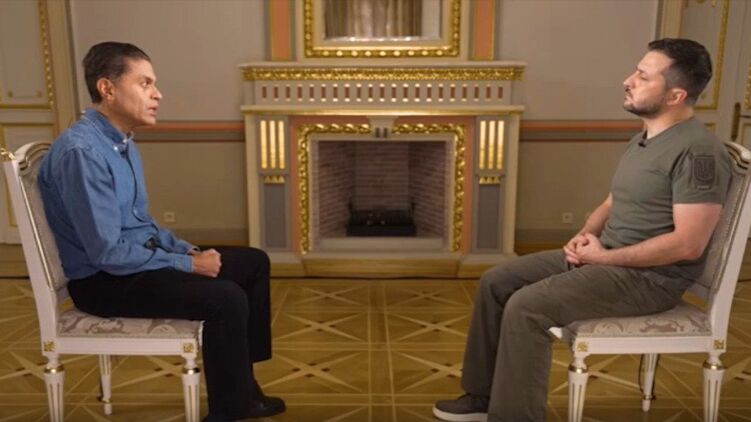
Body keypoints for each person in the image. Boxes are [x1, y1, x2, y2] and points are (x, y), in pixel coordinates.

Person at [433, 38, 730, 422]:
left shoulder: (698, 153)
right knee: (496, 281)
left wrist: (604, 257)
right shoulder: (645, 138)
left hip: (648, 279)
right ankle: (482, 396)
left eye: (643, 77)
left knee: (527, 307)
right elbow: (614, 200)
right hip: (608, 257)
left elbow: (688, 244)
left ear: (675, 96)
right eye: (635, 71)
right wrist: (584, 235)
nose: (628, 80)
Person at [38, 42, 285, 422]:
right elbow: (107, 253)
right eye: (145, 83)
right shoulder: (82, 153)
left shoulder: (120, 141)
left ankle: (243, 389)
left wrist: (184, 250)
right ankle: (229, 412)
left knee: (252, 263)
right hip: (104, 282)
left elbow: (141, 223)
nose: (158, 94)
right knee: (226, 298)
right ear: (107, 88)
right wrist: (189, 266)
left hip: (130, 265)